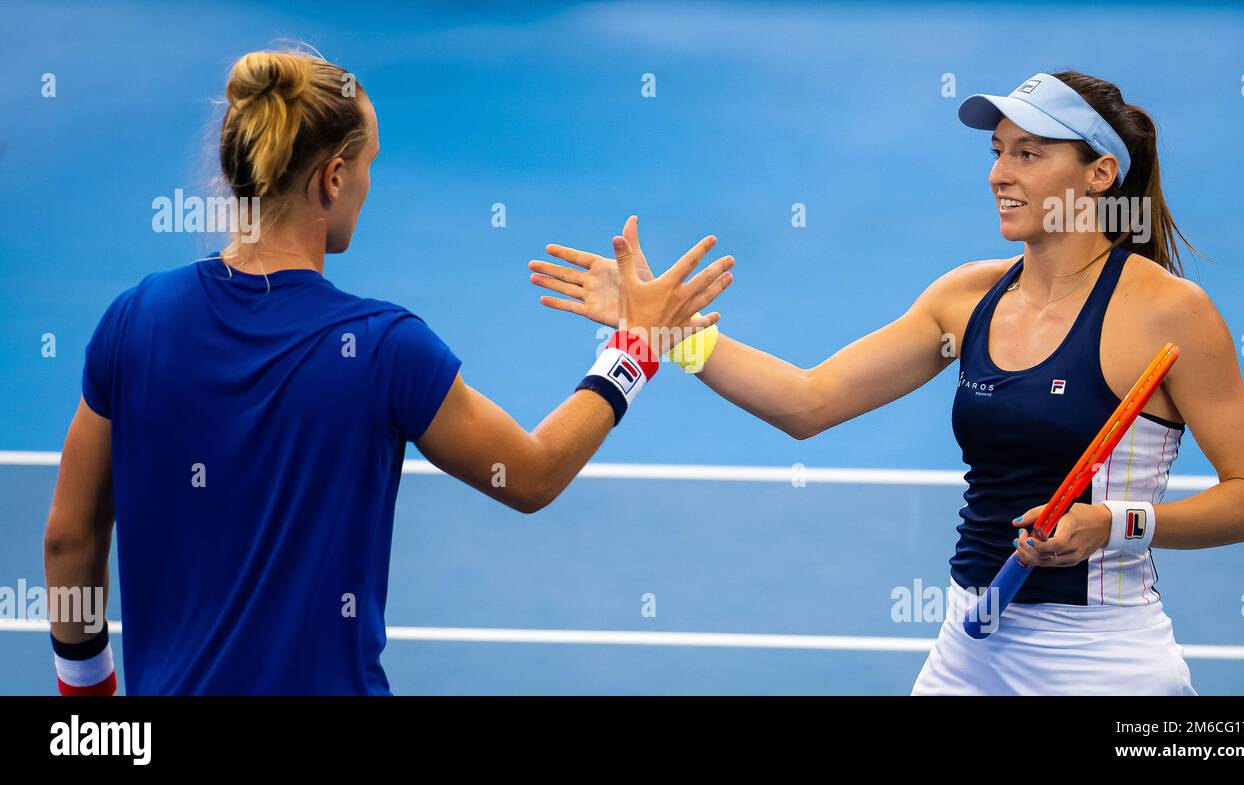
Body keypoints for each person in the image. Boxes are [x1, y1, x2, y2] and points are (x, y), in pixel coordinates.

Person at [528, 71, 1244, 695]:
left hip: (1106, 663)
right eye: (997, 151)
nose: (998, 174)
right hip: (969, 650)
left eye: (1028, 153)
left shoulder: (1169, 314)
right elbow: (807, 401)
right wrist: (665, 331)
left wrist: (1114, 523)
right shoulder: (966, 298)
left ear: (1100, 173)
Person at [41, 48, 734, 695]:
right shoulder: (382, 348)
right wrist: (637, 349)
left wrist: (92, 700)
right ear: (332, 179)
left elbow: (69, 538)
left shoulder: (135, 319)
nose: (370, 183)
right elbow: (531, 474)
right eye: (368, 163)